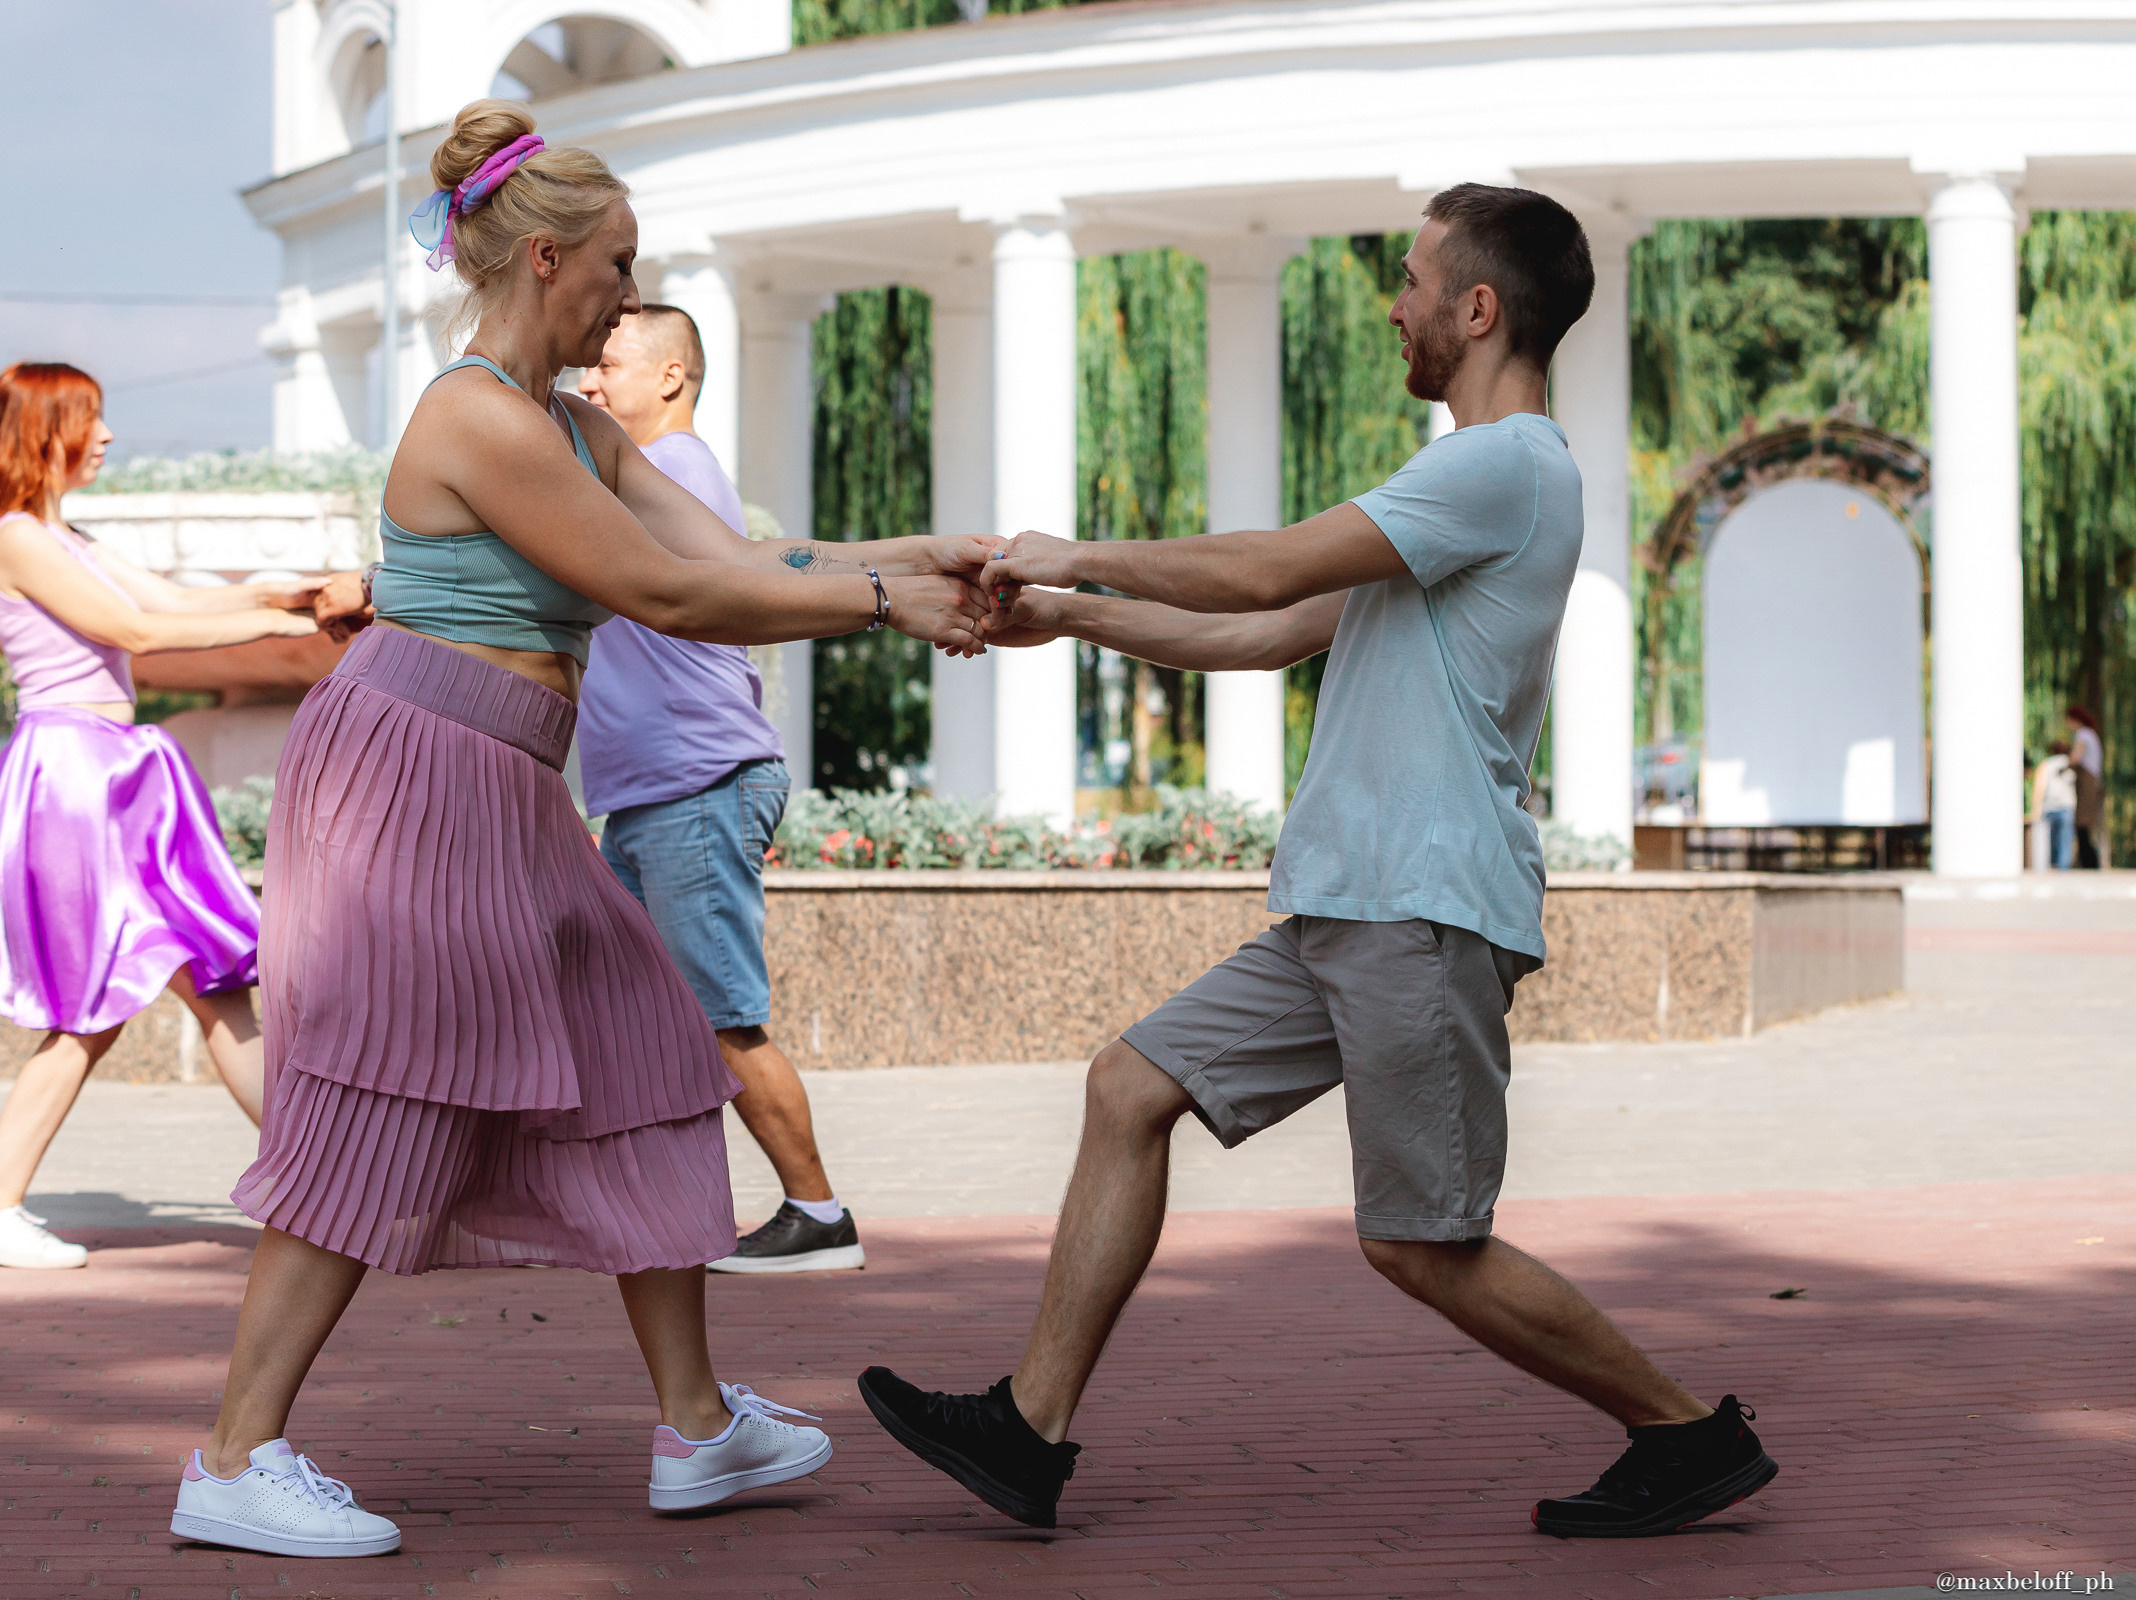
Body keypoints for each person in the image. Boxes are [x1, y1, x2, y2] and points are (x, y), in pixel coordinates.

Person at [857, 184, 1778, 1540]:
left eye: (1413, 280)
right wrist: (1064, 616)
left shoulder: (1504, 463)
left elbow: (1264, 565)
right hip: (1350, 903)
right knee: (1128, 1090)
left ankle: (1686, 1432)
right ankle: (1030, 1428)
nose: (1393, 304)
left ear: (1477, 309)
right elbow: (1270, 624)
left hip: (1418, 905)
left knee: (1421, 1242)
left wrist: (1083, 549)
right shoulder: (1461, 487)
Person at [171, 101, 990, 1560]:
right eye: (618, 264)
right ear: (547, 259)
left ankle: (699, 1425)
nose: (630, 292)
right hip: (414, 777)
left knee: (648, 1049)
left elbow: (733, 556)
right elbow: (668, 599)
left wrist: (913, 558)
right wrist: (887, 609)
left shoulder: (568, 421)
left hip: (500, 782)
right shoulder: (475, 417)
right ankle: (234, 1457)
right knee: (378, 1097)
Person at [0, 362, 324, 1273]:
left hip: (114, 773)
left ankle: (325, 1186)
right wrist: (286, 624)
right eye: (90, 421)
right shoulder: (16, 539)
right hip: (73, 779)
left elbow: (181, 600)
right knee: (89, 1009)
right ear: (44, 433)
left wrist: (297, 595)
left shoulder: (63, 537)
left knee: (217, 983)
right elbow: (141, 635)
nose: (108, 437)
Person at [572, 307, 867, 1274]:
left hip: (696, 782)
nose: (590, 379)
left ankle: (818, 1214)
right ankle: (650, 1201)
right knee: (647, 1015)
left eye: (607, 363)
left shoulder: (672, 473)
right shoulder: (647, 473)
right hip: (660, 789)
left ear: (670, 376)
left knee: (719, 1018)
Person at [2067, 705, 2106, 869]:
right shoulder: (2091, 734)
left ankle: (2090, 864)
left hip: (2088, 783)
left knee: (2082, 824)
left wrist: (2064, 765)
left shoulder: (2082, 734)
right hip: (2094, 782)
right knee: (2086, 825)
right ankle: (2089, 862)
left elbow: (2076, 758)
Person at [2033, 740, 2078, 871]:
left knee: (2052, 840)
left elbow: (2040, 787)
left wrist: (2037, 808)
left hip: (2050, 806)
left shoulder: (2046, 765)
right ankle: (2063, 868)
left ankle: (2053, 866)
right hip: (2067, 806)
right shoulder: (2070, 763)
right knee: (2065, 840)